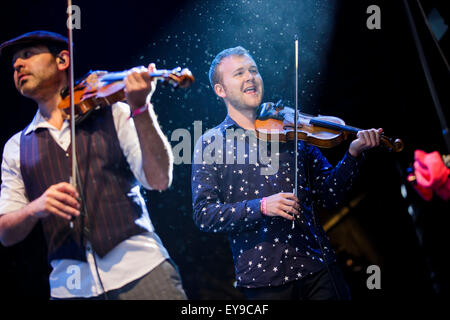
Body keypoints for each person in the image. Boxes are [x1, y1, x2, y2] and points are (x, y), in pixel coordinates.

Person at [0, 31, 187, 300]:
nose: (17, 65)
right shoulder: (16, 147)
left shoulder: (114, 111)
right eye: (14, 62)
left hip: (142, 273)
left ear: (63, 60)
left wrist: (141, 108)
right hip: (71, 291)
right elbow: (6, 233)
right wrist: (34, 208)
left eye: (27, 55)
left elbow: (159, 180)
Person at [191, 46, 383, 300]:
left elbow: (329, 194)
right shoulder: (210, 143)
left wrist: (354, 154)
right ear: (220, 90)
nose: (250, 77)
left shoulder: (290, 129)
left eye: (253, 70)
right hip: (263, 282)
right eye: (239, 73)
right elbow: (204, 214)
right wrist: (261, 206)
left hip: (318, 268)